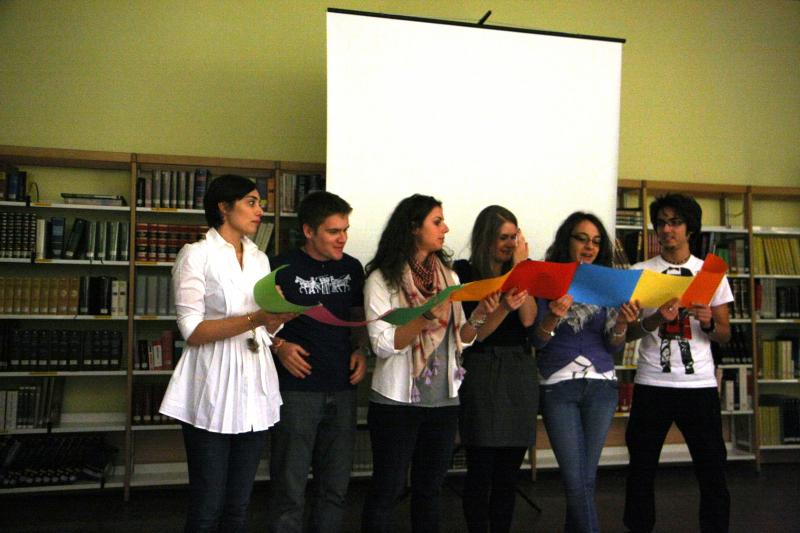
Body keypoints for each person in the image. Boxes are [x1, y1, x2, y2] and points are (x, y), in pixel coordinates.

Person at [159, 174, 296, 532]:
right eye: (251, 202)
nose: (260, 210)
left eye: (260, 202)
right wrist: (257, 318)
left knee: (239, 505)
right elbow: (193, 331)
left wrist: (278, 318)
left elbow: (265, 328)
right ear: (224, 207)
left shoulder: (260, 258)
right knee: (208, 506)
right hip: (212, 384)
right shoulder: (196, 255)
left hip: (254, 384)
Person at [360, 194, 499, 533]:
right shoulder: (381, 279)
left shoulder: (449, 278)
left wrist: (481, 314)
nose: (445, 228)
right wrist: (423, 318)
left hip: (442, 401)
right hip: (396, 402)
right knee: (388, 488)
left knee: (430, 490)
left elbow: (463, 339)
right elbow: (382, 345)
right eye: (437, 222)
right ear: (413, 228)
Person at [623, 193, 732, 533]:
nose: (667, 230)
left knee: (712, 469)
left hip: (698, 385)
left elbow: (725, 334)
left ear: (690, 228)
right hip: (652, 383)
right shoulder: (640, 272)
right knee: (640, 469)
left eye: (675, 222)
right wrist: (654, 319)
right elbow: (627, 334)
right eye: (662, 223)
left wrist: (708, 323)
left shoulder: (710, 272)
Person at [530, 211, 639, 533]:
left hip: (602, 386)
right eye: (582, 239)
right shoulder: (548, 279)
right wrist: (552, 316)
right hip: (558, 385)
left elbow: (614, 346)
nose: (589, 247)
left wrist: (622, 324)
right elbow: (538, 341)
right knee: (575, 479)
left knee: (585, 479)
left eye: (595, 241)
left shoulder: (607, 284)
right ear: (567, 241)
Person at [266, 191, 367, 533]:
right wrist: (279, 346)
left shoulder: (352, 267)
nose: (343, 238)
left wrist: (360, 349)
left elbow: (357, 317)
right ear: (309, 231)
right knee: (289, 488)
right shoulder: (278, 268)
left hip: (342, 387)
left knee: (335, 488)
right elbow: (254, 323)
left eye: (345, 230)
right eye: (333, 231)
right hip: (296, 390)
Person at [453, 205, 537, 533]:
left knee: (508, 474)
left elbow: (528, 319)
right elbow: (475, 336)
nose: (510, 244)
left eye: (514, 237)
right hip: (483, 368)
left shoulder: (519, 270)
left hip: (518, 370)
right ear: (486, 238)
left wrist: (521, 269)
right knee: (481, 469)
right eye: (504, 237)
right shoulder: (464, 272)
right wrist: (502, 307)